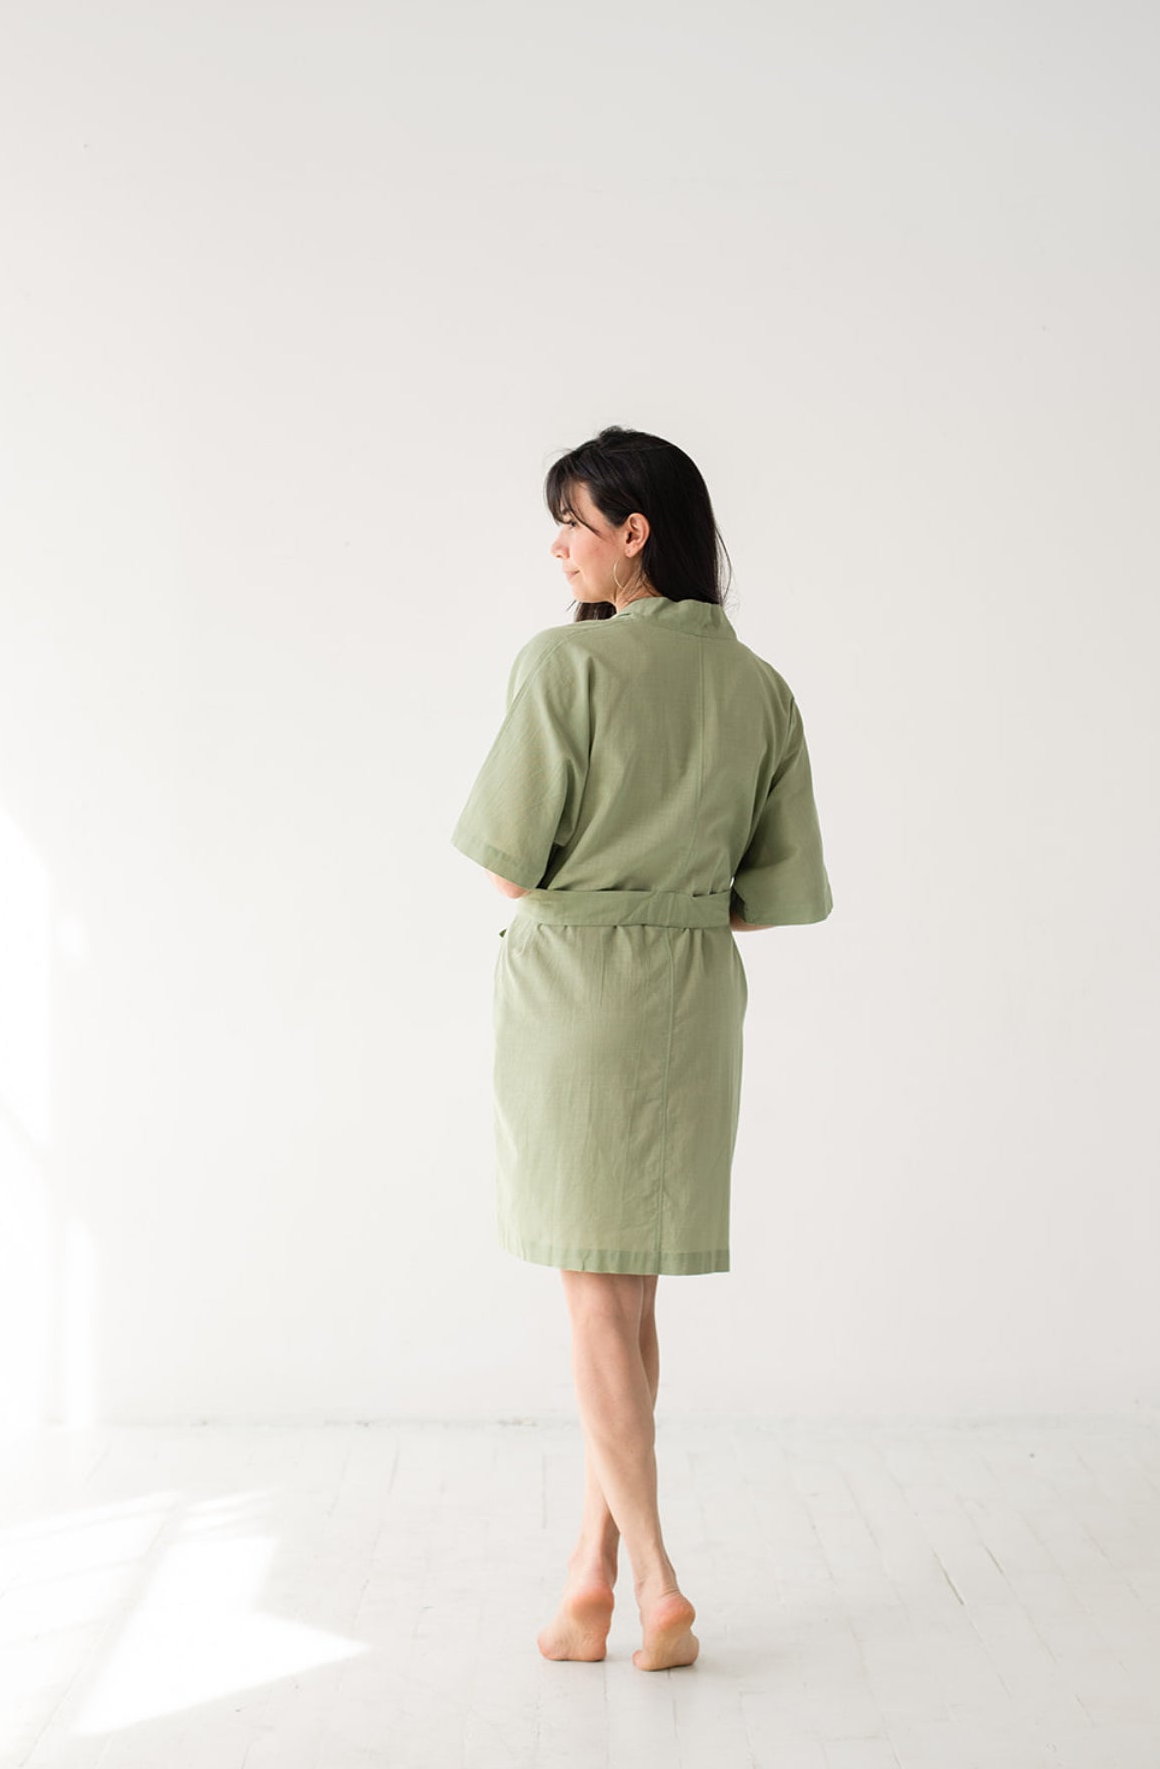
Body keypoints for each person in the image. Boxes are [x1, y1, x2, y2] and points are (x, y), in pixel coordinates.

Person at [450, 425, 832, 1671]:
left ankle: (659, 1579)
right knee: (629, 1294)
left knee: (593, 1297)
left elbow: (508, 861)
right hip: (692, 996)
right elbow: (770, 892)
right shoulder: (760, 686)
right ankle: (590, 1578)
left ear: (637, 532)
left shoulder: (568, 667)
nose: (559, 545)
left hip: (578, 997)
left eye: (575, 520)